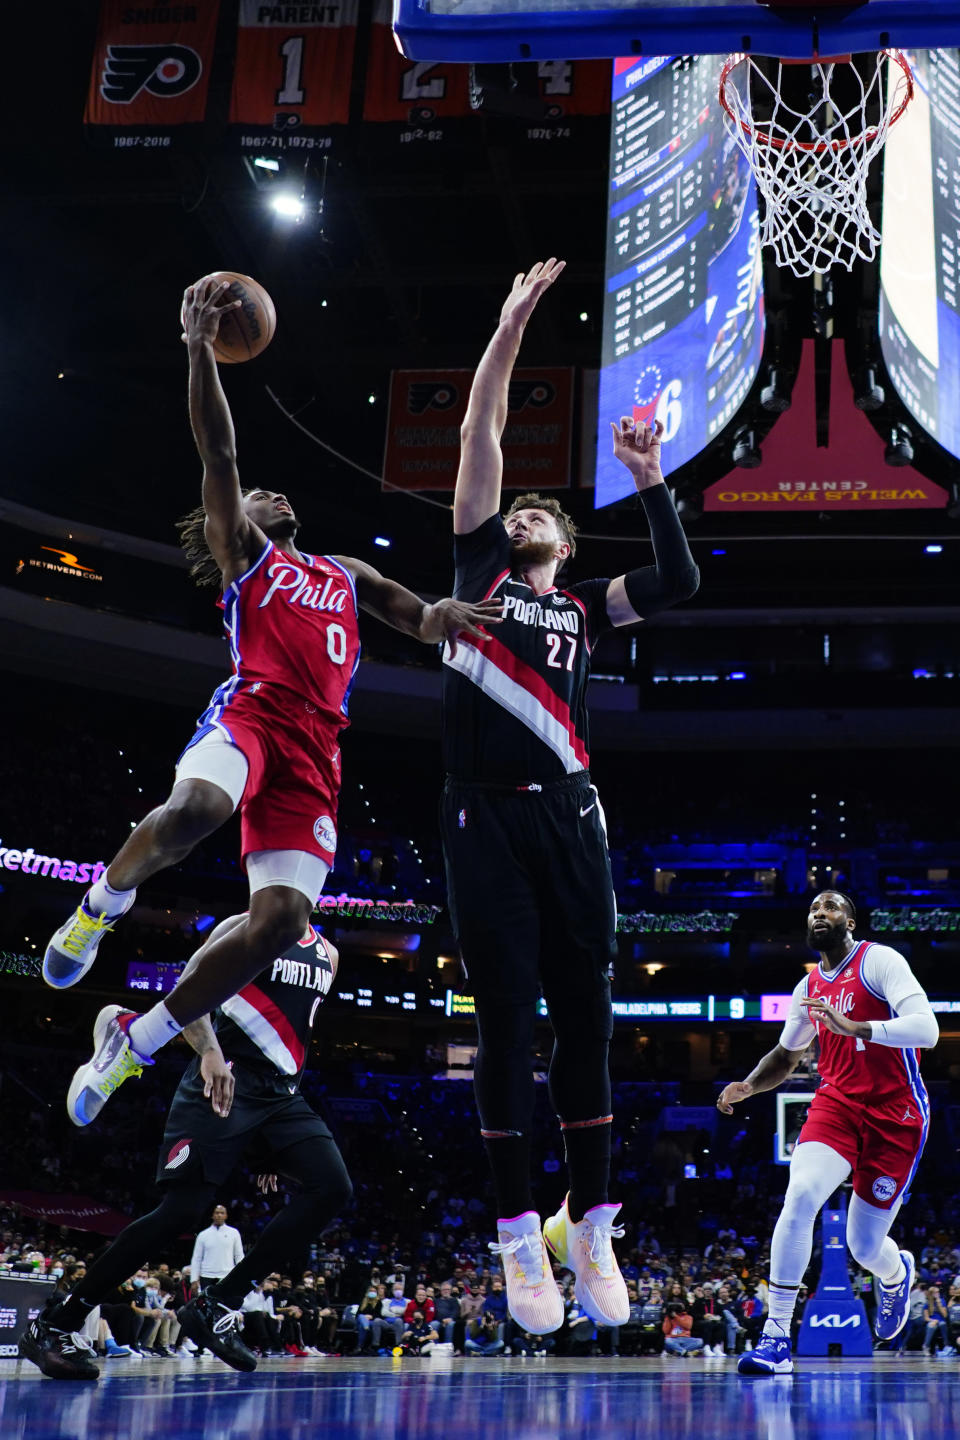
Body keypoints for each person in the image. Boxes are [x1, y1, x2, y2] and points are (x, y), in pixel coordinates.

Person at [46, 276, 501, 1127]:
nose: (274, 494)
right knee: (196, 809)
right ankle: (98, 908)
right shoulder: (247, 558)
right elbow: (219, 456)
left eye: (277, 494)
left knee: (283, 922)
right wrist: (195, 350)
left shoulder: (347, 574)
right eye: (263, 496)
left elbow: (421, 617)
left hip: (318, 747)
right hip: (252, 711)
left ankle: (134, 1044)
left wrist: (453, 618)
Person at [439, 258, 700, 1336]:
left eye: (546, 511)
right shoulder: (475, 580)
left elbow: (680, 583)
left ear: (567, 544)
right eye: (520, 509)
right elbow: (481, 440)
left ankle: (588, 1222)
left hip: (570, 809)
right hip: (481, 814)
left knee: (587, 1021)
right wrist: (507, 330)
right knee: (504, 1023)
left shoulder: (588, 609)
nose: (528, 511)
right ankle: (514, 1238)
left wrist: (647, 475)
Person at [18, 915, 350, 1381]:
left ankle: (218, 1304)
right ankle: (57, 1323)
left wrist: (267, 1148)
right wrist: (209, 1051)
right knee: (180, 1212)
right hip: (222, 1076)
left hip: (281, 1094)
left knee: (333, 1187)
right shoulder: (249, 924)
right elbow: (186, 991)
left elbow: (294, 1037)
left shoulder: (328, 954)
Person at [718, 890, 938, 1376]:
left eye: (831, 907)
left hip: (896, 1113)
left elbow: (928, 1030)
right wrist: (749, 1085)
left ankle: (896, 1272)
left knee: (863, 1248)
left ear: (851, 921)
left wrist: (857, 1027)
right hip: (836, 1104)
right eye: (814, 909)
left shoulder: (879, 961)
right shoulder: (807, 988)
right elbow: (785, 1056)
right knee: (799, 1198)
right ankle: (776, 1337)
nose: (821, 914)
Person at [190, 1205, 244, 1290]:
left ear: (226, 1216)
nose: (219, 1215)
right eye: (217, 1213)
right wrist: (193, 1280)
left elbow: (239, 1256)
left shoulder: (234, 1233)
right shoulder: (203, 1235)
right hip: (206, 1276)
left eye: (222, 1213)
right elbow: (197, 1258)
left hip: (227, 1275)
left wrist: (241, 1276)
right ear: (212, 1215)